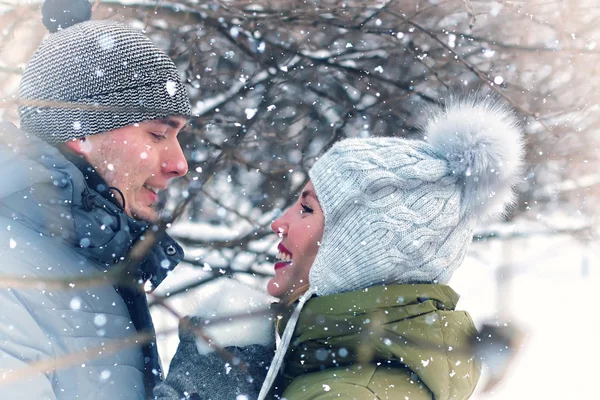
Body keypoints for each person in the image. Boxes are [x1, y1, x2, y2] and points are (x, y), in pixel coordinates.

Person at [154, 95, 524, 400]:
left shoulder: (348, 394)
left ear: (362, 251)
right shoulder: (344, 367)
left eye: (306, 208)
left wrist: (197, 392)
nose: (279, 222)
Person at [0, 0, 191, 398]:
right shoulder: (11, 277)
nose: (179, 164)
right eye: (158, 134)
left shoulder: (95, 257)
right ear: (81, 133)